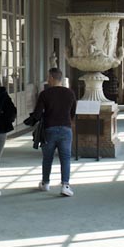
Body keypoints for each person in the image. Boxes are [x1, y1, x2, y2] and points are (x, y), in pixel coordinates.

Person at [30, 67, 76, 196]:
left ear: (51, 78)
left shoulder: (45, 94)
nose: (47, 80)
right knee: (65, 158)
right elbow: (73, 112)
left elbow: (38, 114)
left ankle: (45, 183)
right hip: (66, 129)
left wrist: (32, 119)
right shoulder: (70, 93)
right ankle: (65, 185)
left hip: (49, 128)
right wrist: (67, 120)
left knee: (47, 158)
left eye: (47, 77)